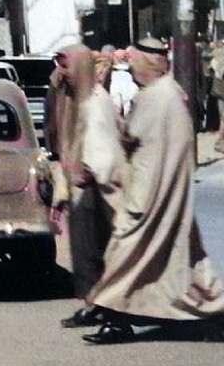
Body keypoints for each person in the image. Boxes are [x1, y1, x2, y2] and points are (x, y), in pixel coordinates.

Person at [82, 41, 224, 343]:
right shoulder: (168, 94)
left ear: (148, 64)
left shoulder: (157, 97)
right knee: (184, 260)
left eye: (135, 63)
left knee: (123, 254)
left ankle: (116, 320)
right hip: (163, 193)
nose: (132, 69)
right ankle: (215, 311)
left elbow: (131, 136)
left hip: (148, 197)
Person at [50, 45, 118, 329]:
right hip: (78, 186)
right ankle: (93, 304)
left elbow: (105, 146)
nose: (62, 72)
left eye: (67, 66)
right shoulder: (73, 98)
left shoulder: (95, 100)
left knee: (94, 250)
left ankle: (105, 308)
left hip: (94, 188)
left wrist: (89, 172)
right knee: (82, 251)